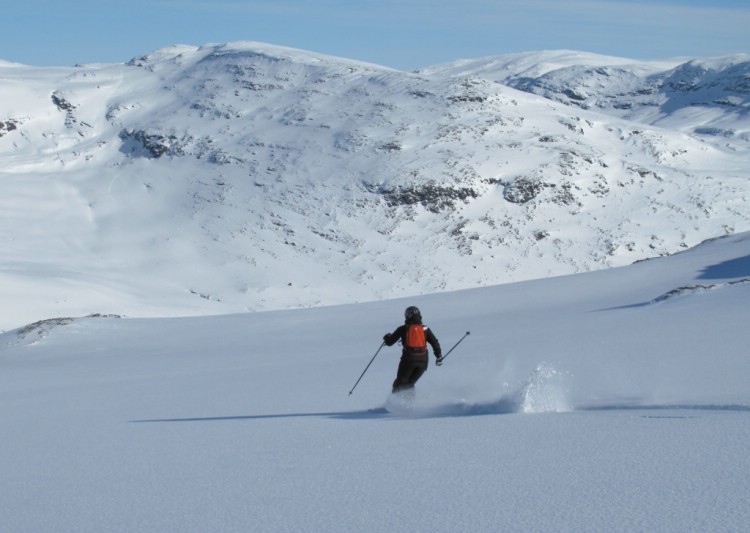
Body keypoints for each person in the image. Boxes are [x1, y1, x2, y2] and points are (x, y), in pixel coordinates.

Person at [383, 306, 442, 394]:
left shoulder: (403, 329)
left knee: (400, 383)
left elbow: (389, 342)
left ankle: (396, 404)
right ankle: (410, 404)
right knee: (410, 384)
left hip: (408, 361)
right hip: (423, 363)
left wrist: (386, 338)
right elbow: (435, 342)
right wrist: (438, 356)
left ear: (407, 316)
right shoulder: (425, 328)